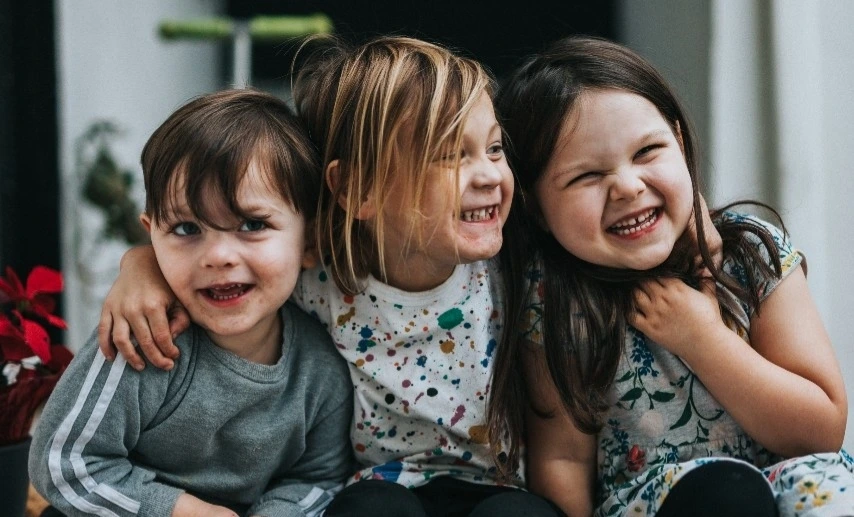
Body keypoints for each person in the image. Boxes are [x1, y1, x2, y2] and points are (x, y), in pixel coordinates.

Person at [93, 37, 562, 517]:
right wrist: (143, 265)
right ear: (358, 189)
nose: (488, 175)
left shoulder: (518, 270)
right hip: (379, 487)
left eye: (494, 149)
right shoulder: (322, 279)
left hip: (497, 487)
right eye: (449, 154)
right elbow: (241, 260)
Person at [492, 35, 854, 517]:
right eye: (586, 176)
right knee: (725, 495)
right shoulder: (555, 300)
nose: (627, 186)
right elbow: (562, 459)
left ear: (679, 144)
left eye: (647, 151)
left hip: (787, 485)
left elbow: (821, 432)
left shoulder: (751, 255)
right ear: (535, 207)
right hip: (656, 500)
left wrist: (704, 339)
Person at [29, 88, 354, 517]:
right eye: (186, 229)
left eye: (252, 224)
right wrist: (183, 512)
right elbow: (62, 463)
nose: (218, 256)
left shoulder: (321, 369)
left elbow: (319, 479)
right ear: (152, 236)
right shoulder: (142, 340)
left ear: (310, 241)